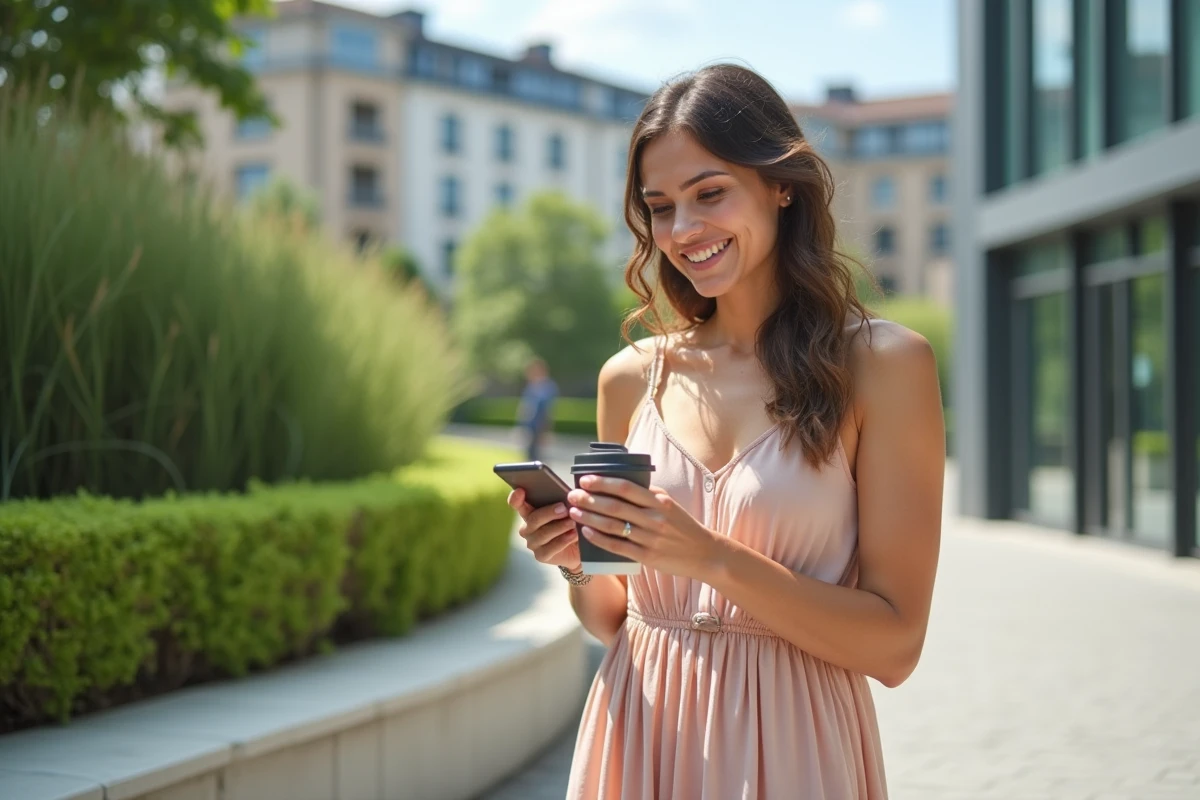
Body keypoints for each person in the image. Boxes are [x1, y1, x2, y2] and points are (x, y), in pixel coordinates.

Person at [507, 64, 944, 799]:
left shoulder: (884, 364)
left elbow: (896, 646)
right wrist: (575, 562)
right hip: (637, 737)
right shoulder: (630, 378)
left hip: (794, 749)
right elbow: (611, 620)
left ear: (781, 185)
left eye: (710, 193)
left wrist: (711, 558)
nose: (682, 231)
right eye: (661, 206)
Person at [517, 356, 558, 462]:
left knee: (538, 458)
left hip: (538, 426)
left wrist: (545, 431)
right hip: (529, 426)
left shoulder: (547, 387)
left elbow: (547, 411)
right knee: (528, 455)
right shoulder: (531, 387)